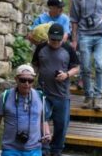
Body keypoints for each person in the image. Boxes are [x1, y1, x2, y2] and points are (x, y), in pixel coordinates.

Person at [32, 24, 80, 156]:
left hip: (62, 93)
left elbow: (76, 67)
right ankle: (44, 148)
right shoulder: (41, 48)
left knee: (61, 124)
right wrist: (31, 79)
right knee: (41, 118)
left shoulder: (68, 49)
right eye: (53, 40)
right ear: (48, 37)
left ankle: (56, 150)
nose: (56, 43)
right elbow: (35, 65)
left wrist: (66, 75)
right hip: (43, 91)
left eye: (59, 40)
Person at [0, 64, 51, 156]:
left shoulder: (40, 96)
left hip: (34, 150)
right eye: (23, 80)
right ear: (16, 79)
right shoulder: (5, 96)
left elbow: (43, 120)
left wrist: (47, 133)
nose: (27, 83)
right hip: (10, 150)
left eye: (30, 81)